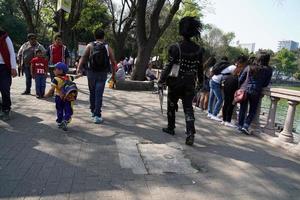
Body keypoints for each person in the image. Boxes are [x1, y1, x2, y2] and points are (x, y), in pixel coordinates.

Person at [158, 16, 204, 146]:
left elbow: (169, 66)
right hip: (190, 82)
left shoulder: (175, 47)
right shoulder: (199, 50)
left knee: (171, 104)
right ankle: (190, 133)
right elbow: (200, 68)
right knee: (188, 108)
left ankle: (171, 127)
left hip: (175, 82)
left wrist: (161, 80)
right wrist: (201, 82)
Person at [77, 28, 116, 124]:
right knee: (99, 94)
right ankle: (97, 115)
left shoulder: (90, 45)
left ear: (95, 36)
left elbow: (84, 57)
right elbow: (113, 61)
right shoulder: (107, 47)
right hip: (102, 73)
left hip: (91, 72)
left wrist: (79, 68)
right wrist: (114, 75)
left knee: (92, 92)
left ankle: (92, 111)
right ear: (104, 36)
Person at [238, 52, 273, 135]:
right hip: (256, 91)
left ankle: (240, 126)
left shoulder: (249, 67)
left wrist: (241, 88)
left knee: (243, 109)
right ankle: (245, 126)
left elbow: (240, 79)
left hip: (245, 90)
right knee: (252, 110)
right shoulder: (268, 69)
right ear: (267, 60)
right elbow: (265, 84)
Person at [45, 62, 78, 131]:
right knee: (68, 109)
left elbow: (52, 89)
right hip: (68, 97)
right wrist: (80, 75)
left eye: (55, 69)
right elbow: (75, 77)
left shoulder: (55, 79)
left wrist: (46, 95)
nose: (53, 70)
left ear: (60, 70)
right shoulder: (68, 77)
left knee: (59, 110)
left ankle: (60, 122)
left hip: (59, 97)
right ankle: (65, 120)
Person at [221, 55, 248, 127]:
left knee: (226, 102)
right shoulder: (243, 67)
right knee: (231, 103)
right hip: (234, 83)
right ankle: (227, 120)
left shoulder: (236, 66)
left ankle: (223, 120)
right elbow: (241, 79)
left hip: (228, 81)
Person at [207, 57, 232, 121]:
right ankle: (214, 114)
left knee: (211, 98)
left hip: (212, 80)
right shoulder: (232, 68)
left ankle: (209, 112)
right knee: (220, 99)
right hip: (215, 82)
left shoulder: (219, 66)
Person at [0, 27, 17, 120]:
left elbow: (11, 53)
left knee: (4, 88)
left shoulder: (5, 37)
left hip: (4, 67)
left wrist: (13, 67)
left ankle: (6, 109)